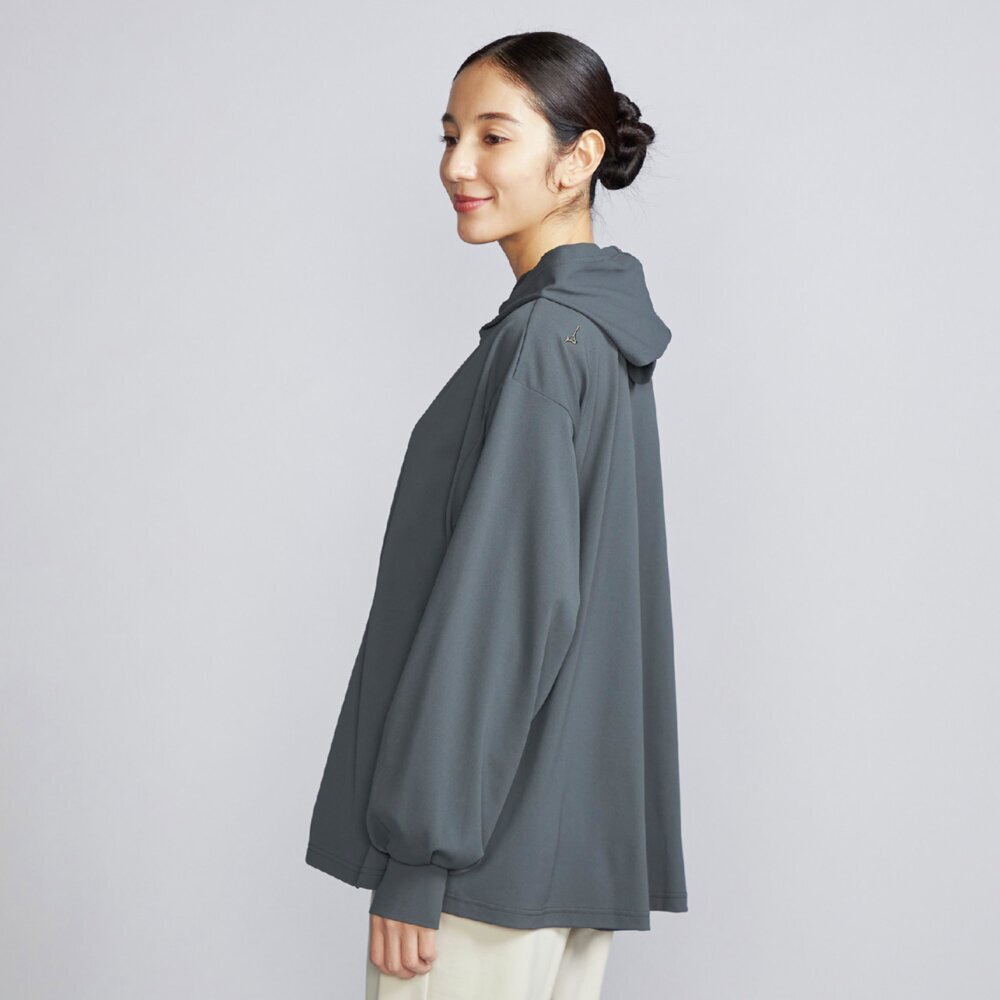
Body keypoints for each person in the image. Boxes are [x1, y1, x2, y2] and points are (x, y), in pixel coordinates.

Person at [305, 30, 688, 999]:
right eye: (448, 136)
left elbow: (503, 616)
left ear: (577, 158)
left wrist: (419, 854)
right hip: (558, 857)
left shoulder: (545, 343)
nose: (456, 166)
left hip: (479, 873)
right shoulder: (595, 336)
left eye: (492, 136)